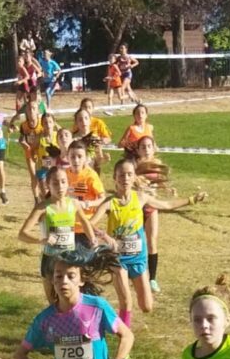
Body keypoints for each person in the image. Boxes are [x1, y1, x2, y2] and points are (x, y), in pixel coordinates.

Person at [92, 158, 208, 326]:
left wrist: (191, 200)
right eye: (121, 175)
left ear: (134, 178)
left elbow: (167, 205)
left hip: (138, 258)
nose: (125, 178)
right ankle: (125, 339)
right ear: (115, 178)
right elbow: (91, 224)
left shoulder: (140, 198)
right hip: (117, 259)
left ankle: (105, 318)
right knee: (126, 301)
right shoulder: (110, 202)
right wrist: (104, 237)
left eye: (129, 174)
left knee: (146, 306)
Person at [18, 166, 96, 302]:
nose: (60, 186)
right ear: (48, 185)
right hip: (50, 260)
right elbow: (22, 234)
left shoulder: (74, 204)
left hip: (70, 258)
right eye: (55, 183)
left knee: (72, 299)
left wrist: (93, 240)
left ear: (68, 183)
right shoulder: (43, 208)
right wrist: (42, 240)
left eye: (63, 182)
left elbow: (85, 222)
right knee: (53, 303)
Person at [134, 134, 173, 294]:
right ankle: (136, 274)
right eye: (143, 146)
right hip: (137, 208)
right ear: (138, 150)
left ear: (154, 147)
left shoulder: (157, 165)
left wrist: (168, 188)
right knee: (136, 242)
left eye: (149, 146)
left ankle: (152, 279)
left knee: (152, 241)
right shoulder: (135, 165)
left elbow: (161, 181)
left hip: (151, 208)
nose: (146, 149)